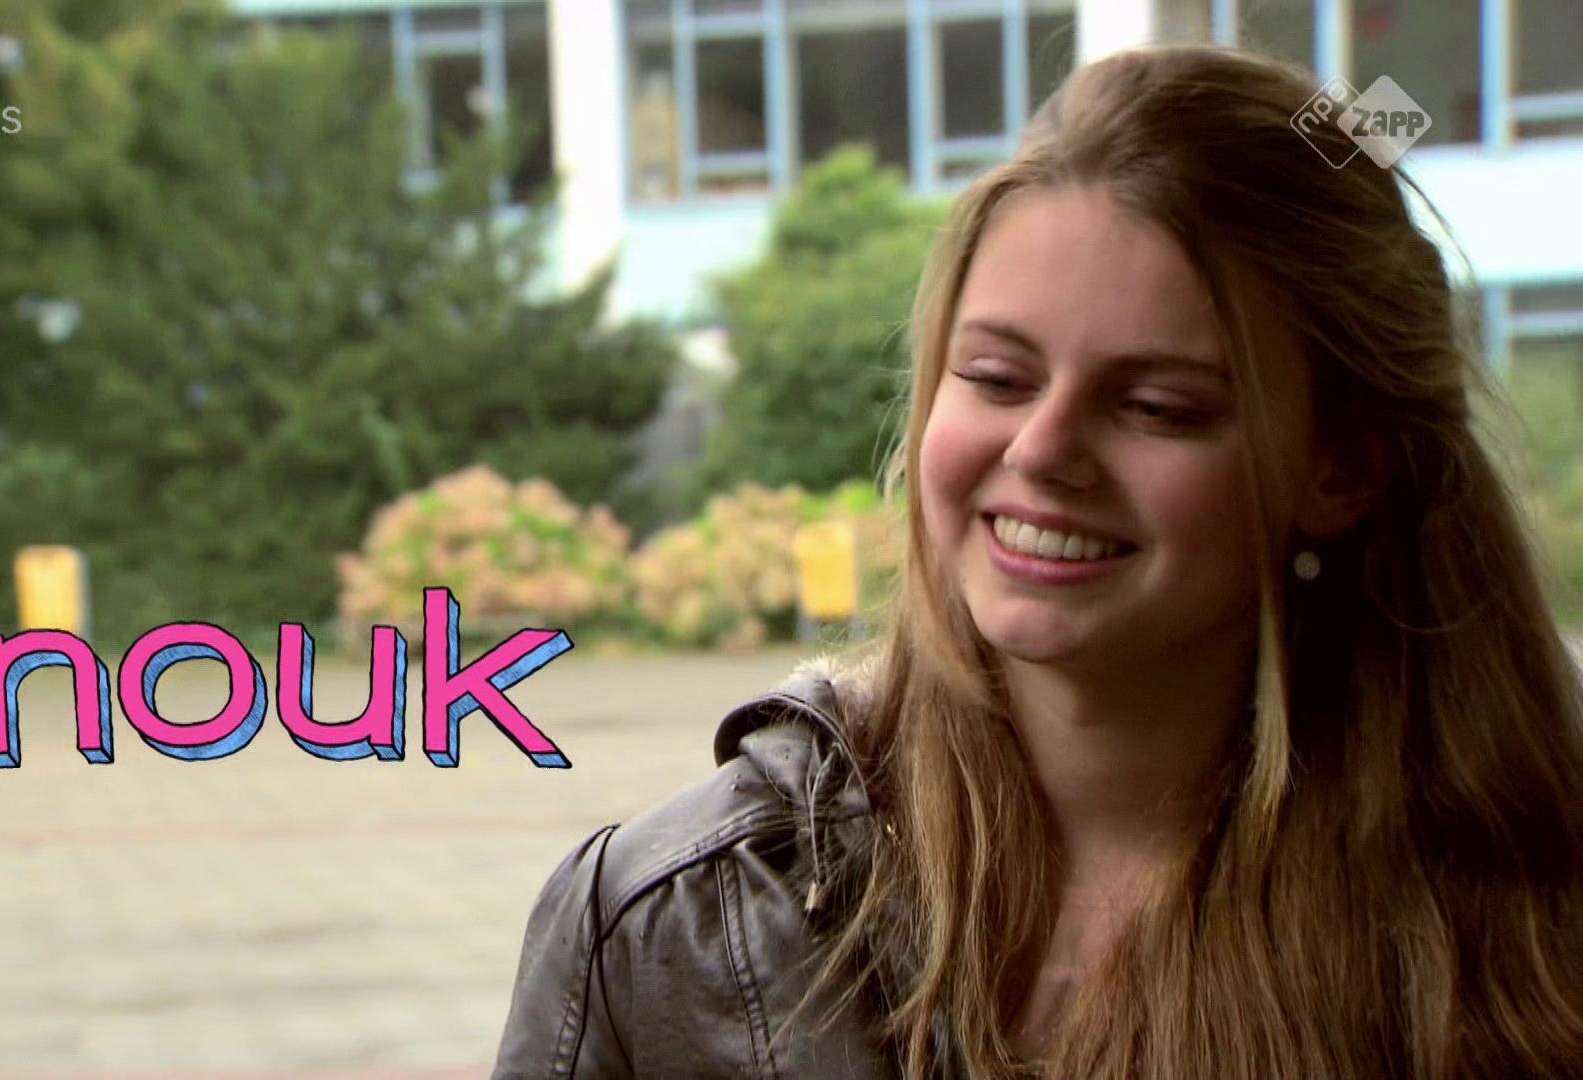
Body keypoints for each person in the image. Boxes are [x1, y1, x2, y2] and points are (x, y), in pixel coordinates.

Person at [492, 44, 1583, 1079]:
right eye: (998, 378)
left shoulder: (1533, 928)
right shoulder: (669, 925)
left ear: (1342, 470)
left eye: (1156, 405)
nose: (1043, 450)